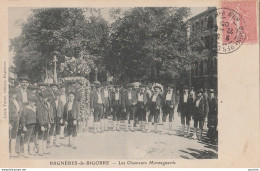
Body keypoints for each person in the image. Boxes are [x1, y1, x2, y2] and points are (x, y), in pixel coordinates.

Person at [36, 91, 52, 156]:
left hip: (47, 123)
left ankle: (44, 149)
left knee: (45, 137)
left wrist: (49, 122)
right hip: (42, 123)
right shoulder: (39, 105)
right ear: (41, 98)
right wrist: (41, 125)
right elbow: (39, 116)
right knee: (40, 137)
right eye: (44, 98)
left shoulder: (47, 104)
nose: (45, 99)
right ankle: (40, 150)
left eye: (46, 98)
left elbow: (48, 114)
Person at [9, 88, 21, 157]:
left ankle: (13, 152)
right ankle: (7, 152)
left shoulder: (16, 101)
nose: (14, 95)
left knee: (14, 136)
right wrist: (9, 122)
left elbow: (18, 109)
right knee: (8, 136)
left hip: (16, 119)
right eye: (12, 93)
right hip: (11, 120)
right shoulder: (7, 101)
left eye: (15, 93)